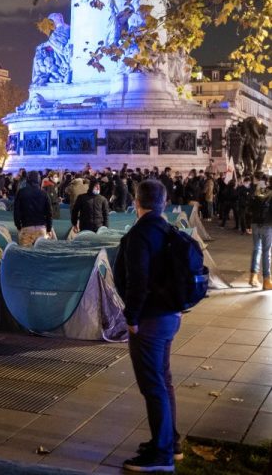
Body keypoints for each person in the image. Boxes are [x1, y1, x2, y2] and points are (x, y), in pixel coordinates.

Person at [113, 180, 183, 472]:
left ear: (136, 202)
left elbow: (137, 281)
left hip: (150, 321)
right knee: (163, 380)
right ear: (164, 203)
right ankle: (169, 441)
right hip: (170, 316)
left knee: (153, 385)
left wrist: (131, 318)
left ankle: (161, 456)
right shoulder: (168, 231)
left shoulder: (139, 235)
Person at [13, 171, 53, 247]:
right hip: (41, 228)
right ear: (39, 180)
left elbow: (16, 212)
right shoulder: (44, 193)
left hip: (26, 227)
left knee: (26, 255)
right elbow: (49, 213)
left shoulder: (21, 192)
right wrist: (49, 229)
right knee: (40, 255)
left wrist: (18, 226)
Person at [248, 177, 272, 289]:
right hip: (267, 225)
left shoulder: (260, 192)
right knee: (266, 252)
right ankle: (266, 280)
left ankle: (253, 277)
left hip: (255, 224)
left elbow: (250, 208)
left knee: (256, 249)